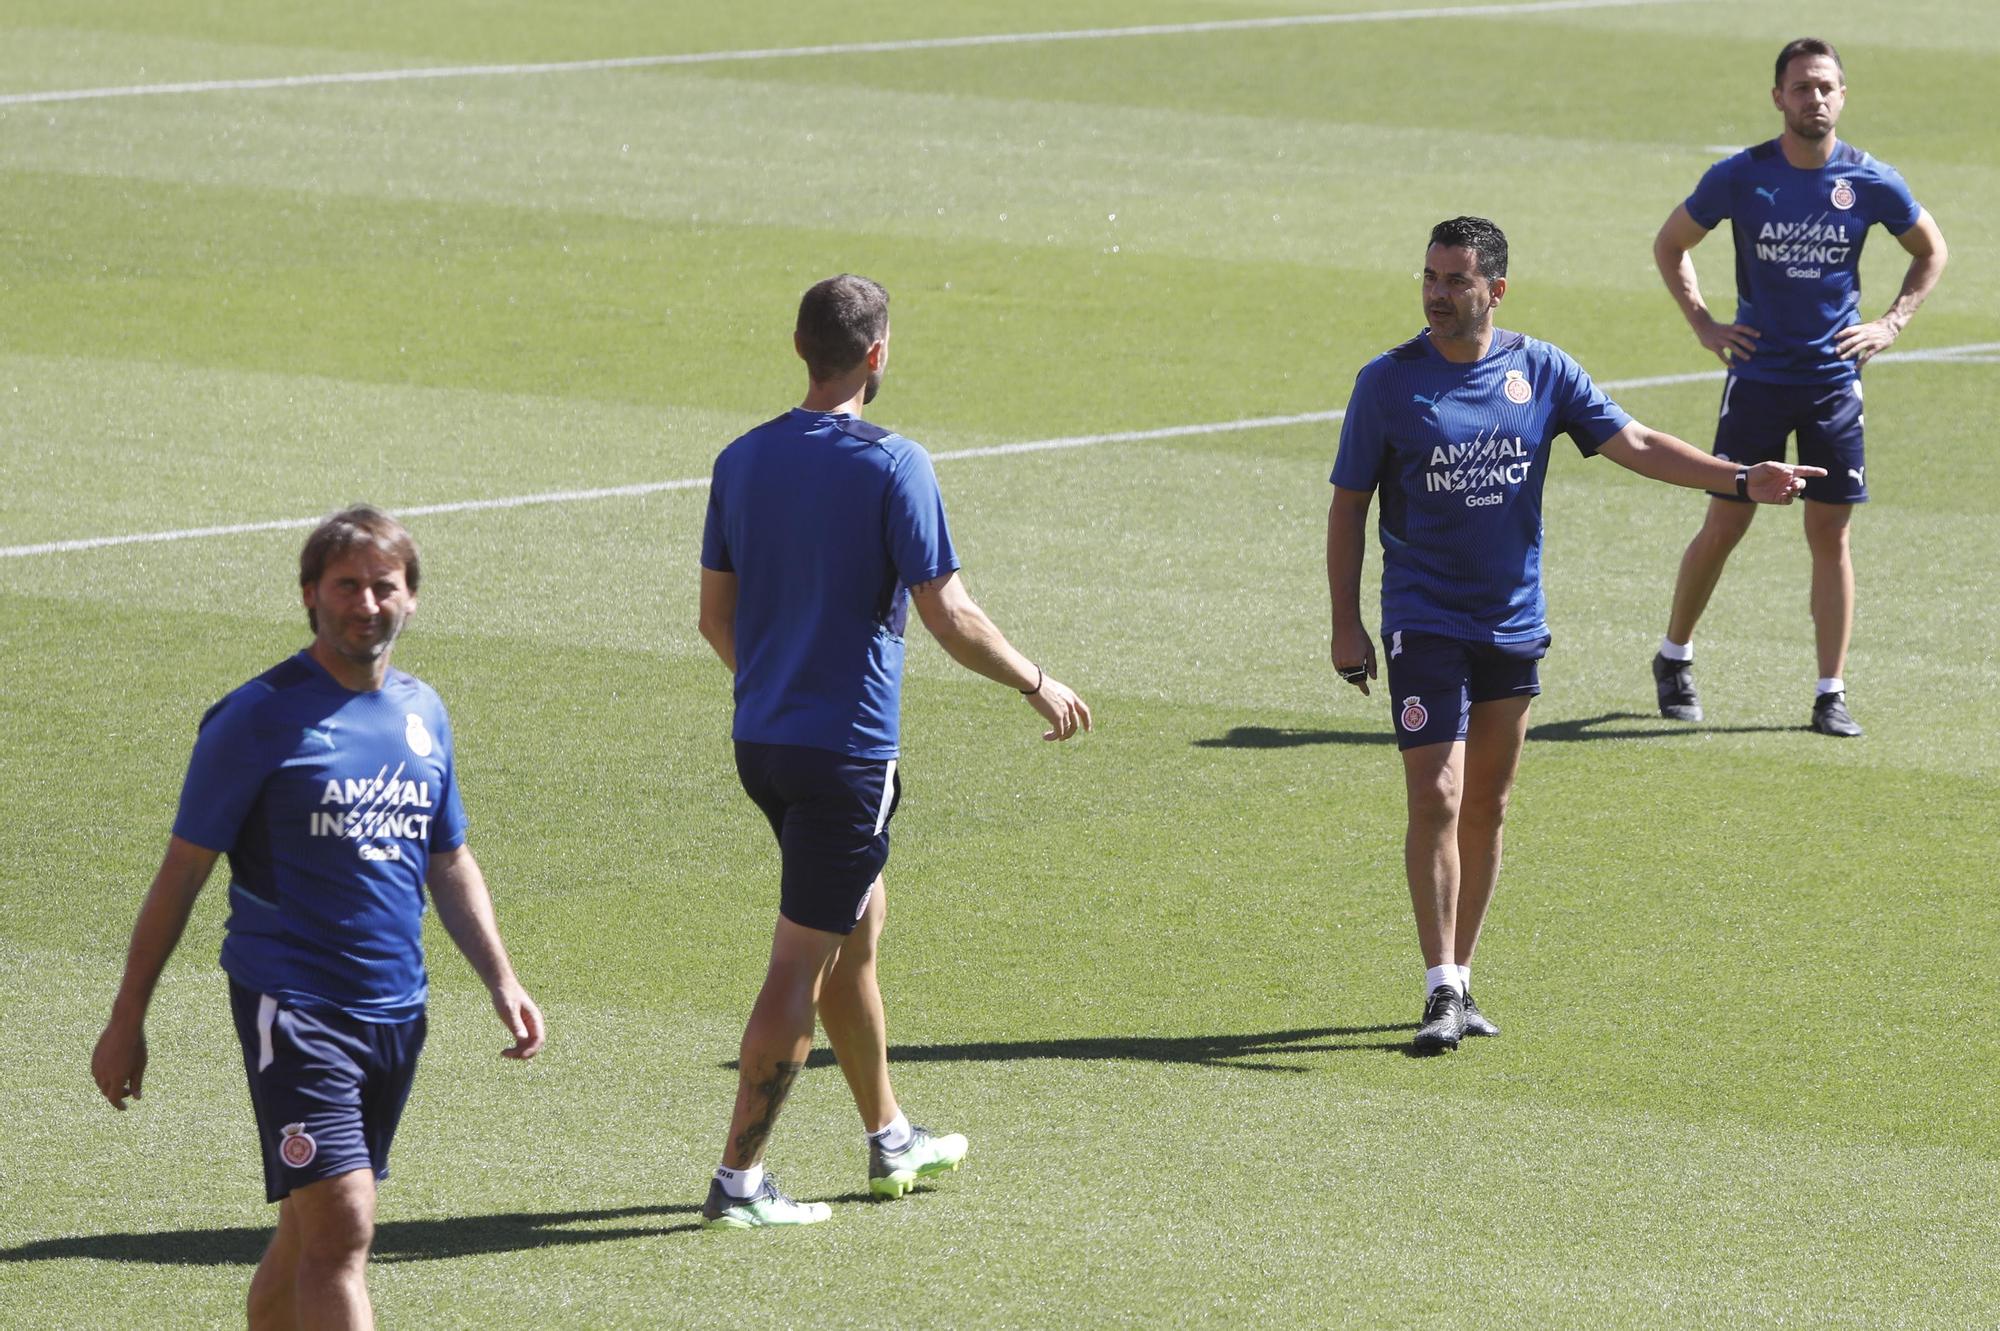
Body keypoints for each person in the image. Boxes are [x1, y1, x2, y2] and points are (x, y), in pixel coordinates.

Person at [1327, 217, 1821, 1053]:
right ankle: (1438, 982)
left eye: (1455, 281)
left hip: (1513, 620)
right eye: (1429, 278)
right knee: (1437, 795)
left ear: (1496, 289)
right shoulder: (1387, 383)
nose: (1437, 295)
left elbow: (1633, 441)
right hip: (1424, 619)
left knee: (1488, 801)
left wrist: (1739, 476)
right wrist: (1345, 623)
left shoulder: (1540, 370)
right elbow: (1348, 506)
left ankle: (1466, 978)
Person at [696, 273, 1090, 1227]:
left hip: (765, 743)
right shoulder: (894, 463)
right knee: (801, 962)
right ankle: (739, 1183)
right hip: (845, 758)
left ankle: (891, 1137)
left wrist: (778, 682)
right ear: (878, 355)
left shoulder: (740, 459)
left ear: (800, 346)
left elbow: (716, 618)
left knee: (856, 934)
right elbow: (948, 613)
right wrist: (1036, 679)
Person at [91, 505, 545, 1330]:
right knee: (343, 1227)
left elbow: (448, 859)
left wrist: (500, 976)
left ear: (412, 600)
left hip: (397, 1009)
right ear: (309, 593)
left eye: (385, 586)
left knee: (304, 1234)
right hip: (293, 1007)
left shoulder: (423, 713)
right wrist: (129, 1016)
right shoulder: (255, 716)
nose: (365, 603)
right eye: (346, 586)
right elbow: (182, 872)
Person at [1650, 37, 1948, 736]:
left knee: (1831, 535)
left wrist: (1892, 323)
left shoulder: (1872, 180)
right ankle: (1674, 654)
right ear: (1778, 97)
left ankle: (1829, 692)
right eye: (1801, 87)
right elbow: (1671, 244)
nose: (1814, 98)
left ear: (1842, 96)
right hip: (1755, 380)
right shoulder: (1739, 175)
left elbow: (1930, 250)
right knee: (1726, 523)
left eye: (1825, 87)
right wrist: (1704, 324)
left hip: (1833, 385)